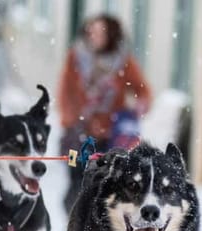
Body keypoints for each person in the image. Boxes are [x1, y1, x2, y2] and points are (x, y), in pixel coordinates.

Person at [57, 14, 152, 213]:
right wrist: (74, 121)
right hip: (76, 136)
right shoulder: (76, 57)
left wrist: (136, 109)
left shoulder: (123, 61)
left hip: (108, 139)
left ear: (111, 35)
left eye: (101, 32)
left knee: (102, 185)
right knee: (76, 181)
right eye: (92, 31)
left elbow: (143, 91)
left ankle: (94, 229)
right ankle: (73, 225)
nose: (95, 36)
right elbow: (65, 92)